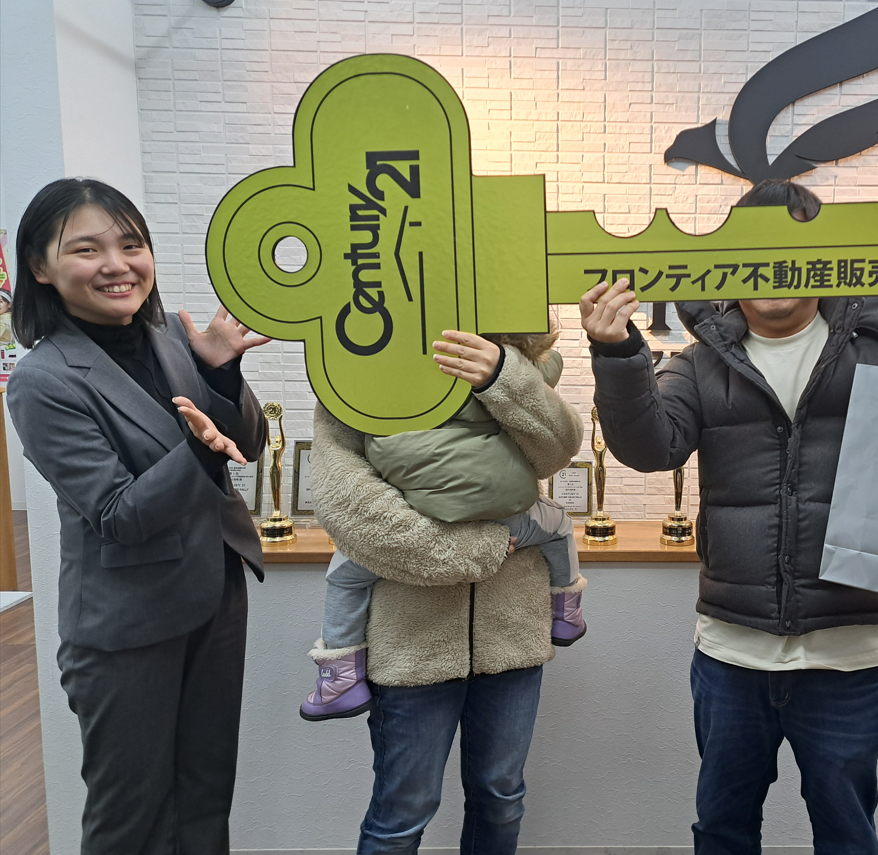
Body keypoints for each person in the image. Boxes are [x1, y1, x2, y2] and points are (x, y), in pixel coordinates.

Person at [582, 178, 878, 855]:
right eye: (754, 248)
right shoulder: (698, 363)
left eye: (791, 246)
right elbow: (648, 448)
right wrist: (617, 354)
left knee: (846, 833)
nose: (772, 266)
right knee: (721, 830)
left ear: (826, 255)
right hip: (731, 651)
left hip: (847, 652)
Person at [6, 178, 269, 854]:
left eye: (131, 244)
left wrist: (221, 375)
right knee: (132, 820)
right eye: (86, 249)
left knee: (206, 796)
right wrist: (197, 451)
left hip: (213, 598)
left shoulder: (170, 336)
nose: (117, 264)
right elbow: (117, 513)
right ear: (40, 266)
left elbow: (243, 445)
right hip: (126, 628)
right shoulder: (43, 379)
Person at [309, 326, 582, 853]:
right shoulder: (359, 364)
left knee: (501, 799)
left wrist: (503, 375)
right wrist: (475, 550)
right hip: (411, 644)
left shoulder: (517, 357)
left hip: (513, 638)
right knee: (401, 813)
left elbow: (558, 449)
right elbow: (347, 500)